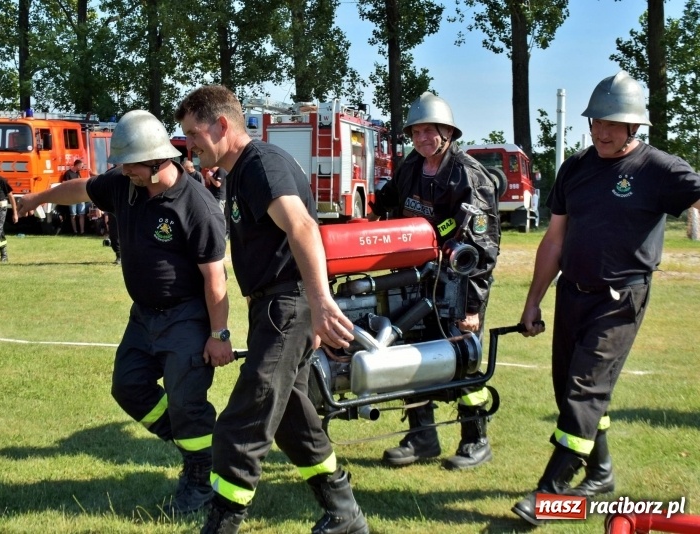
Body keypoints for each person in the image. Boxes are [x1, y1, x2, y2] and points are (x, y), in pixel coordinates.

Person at [15, 110, 232, 516]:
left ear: (157, 160)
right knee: (128, 387)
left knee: (187, 402)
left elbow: (215, 280)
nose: (123, 171)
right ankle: (202, 445)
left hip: (186, 317)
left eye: (130, 164)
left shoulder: (196, 205)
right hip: (143, 317)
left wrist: (219, 335)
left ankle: (201, 478)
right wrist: (40, 197)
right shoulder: (125, 185)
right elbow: (82, 189)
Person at [176, 85, 368, 534]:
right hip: (276, 308)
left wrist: (319, 305)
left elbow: (302, 225)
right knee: (291, 418)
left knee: (245, 417)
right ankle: (344, 514)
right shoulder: (239, 172)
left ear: (221, 125)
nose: (188, 144)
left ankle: (222, 522)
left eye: (192, 133)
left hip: (288, 306)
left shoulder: (261, 164)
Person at [511, 71, 700, 526]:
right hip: (572, 293)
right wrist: (533, 300)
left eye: (613, 123)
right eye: (596, 121)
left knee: (584, 391)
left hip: (621, 298)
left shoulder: (659, 168)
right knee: (568, 390)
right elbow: (554, 239)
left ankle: (550, 494)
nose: (602, 130)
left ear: (635, 126)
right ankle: (601, 472)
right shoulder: (574, 167)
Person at [370, 92, 500, 470]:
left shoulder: (470, 176)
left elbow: (483, 248)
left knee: (461, 356)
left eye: (431, 131)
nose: (423, 138)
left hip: (457, 283)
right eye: (417, 131)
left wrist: (472, 307)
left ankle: (475, 441)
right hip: (413, 275)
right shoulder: (412, 165)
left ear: (447, 132)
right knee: (410, 351)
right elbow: (391, 198)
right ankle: (421, 435)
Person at [61, 159, 86, 235]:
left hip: (80, 196)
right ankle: (75, 231)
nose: (82, 168)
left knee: (81, 214)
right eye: (81, 166)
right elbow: (64, 183)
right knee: (73, 215)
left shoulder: (78, 173)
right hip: (72, 197)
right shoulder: (68, 173)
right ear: (77, 165)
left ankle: (82, 231)